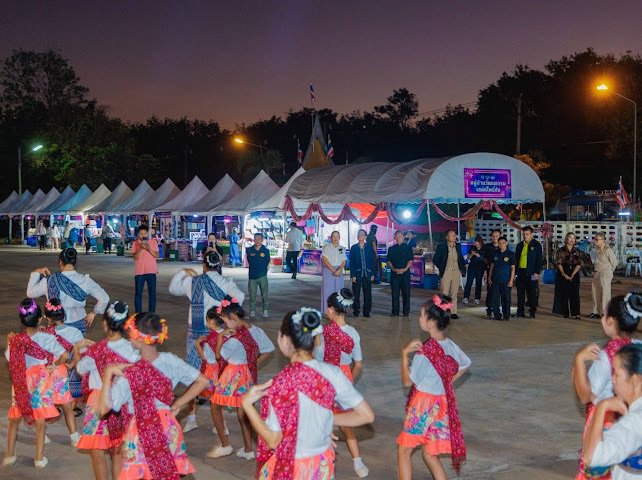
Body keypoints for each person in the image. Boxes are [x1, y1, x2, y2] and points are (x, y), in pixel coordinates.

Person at [242, 307, 375, 480]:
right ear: (317, 339)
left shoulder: (281, 383)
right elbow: (366, 415)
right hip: (322, 466)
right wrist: (324, 420)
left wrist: (247, 405)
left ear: (284, 340)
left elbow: (273, 440)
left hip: (292, 467)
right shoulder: (333, 373)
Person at [99, 312, 209, 480]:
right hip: (167, 426)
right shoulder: (171, 360)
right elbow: (203, 381)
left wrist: (108, 374)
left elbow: (104, 408)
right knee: (167, 472)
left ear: (138, 338)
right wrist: (178, 403)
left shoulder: (130, 371)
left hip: (141, 428)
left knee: (144, 474)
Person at [169, 251, 245, 433]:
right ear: (219, 265)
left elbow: (173, 288)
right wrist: (224, 309)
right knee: (217, 375)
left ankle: (192, 418)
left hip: (195, 333)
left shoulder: (193, 281)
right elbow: (240, 298)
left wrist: (183, 271)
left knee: (193, 373)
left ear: (204, 265)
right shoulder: (226, 283)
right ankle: (220, 422)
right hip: (216, 331)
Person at [397, 294, 471, 480]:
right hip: (441, 404)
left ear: (431, 322)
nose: (420, 319)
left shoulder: (424, 352)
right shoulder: (450, 346)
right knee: (430, 454)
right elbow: (465, 364)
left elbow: (407, 382)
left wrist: (404, 355)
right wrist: (447, 381)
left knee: (404, 451)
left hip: (423, 404)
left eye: (422, 316)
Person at [572, 293, 642, 479]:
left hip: (607, 422)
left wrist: (579, 360)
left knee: (601, 466)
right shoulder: (637, 348)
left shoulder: (607, 356)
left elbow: (585, 395)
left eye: (604, 315)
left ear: (610, 321)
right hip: (629, 415)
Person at [75, 300, 139, 480]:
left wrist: (78, 351)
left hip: (98, 402)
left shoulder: (97, 349)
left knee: (96, 451)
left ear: (104, 324)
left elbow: (80, 369)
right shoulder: (133, 350)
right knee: (117, 452)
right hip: (122, 402)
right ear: (126, 325)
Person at [3, 299, 67, 469]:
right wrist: (53, 366)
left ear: (22, 319)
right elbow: (64, 355)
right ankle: (38, 458)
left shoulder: (16, 340)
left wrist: (10, 341)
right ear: (39, 319)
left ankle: (10, 455)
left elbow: (10, 359)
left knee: (15, 417)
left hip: (21, 380)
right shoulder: (47, 338)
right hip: (40, 379)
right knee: (40, 419)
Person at [315, 289, 369, 477]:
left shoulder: (322, 332)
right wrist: (348, 384)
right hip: (344, 377)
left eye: (327, 308)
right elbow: (358, 364)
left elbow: (317, 360)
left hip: (325, 378)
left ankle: (321, 464)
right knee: (346, 425)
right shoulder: (353, 333)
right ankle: (358, 462)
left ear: (331, 309)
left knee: (320, 423)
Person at [208, 298, 262, 460]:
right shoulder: (248, 332)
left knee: (215, 405)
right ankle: (248, 449)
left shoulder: (233, 340)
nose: (224, 324)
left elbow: (218, 356)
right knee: (243, 411)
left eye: (225, 320)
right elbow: (260, 350)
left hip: (233, 374)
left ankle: (225, 445)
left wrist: (220, 338)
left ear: (233, 317)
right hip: (246, 374)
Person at [583, 343, 642, 478]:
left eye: (616, 373)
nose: (613, 379)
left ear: (635, 380)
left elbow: (591, 457)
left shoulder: (633, 422)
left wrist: (601, 407)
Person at [27, 247, 110, 335]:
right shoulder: (85, 281)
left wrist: (37, 272)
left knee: (57, 344)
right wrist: (93, 313)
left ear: (60, 262)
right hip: (79, 324)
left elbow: (30, 293)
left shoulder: (50, 280)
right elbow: (105, 298)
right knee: (78, 344)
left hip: (56, 324)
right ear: (75, 262)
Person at [43, 298, 86, 447]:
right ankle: (74, 437)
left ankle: (42, 436)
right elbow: (81, 352)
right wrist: (71, 365)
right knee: (67, 407)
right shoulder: (74, 332)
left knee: (44, 406)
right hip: (61, 372)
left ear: (48, 317)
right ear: (63, 315)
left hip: (46, 371)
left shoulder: (44, 333)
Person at [433, 230, 466, 319]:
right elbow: (435, 259)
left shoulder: (458, 246)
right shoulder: (441, 247)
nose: (454, 237)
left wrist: (462, 269)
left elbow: (460, 258)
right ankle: (443, 312)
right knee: (444, 293)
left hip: (456, 272)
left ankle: (453, 312)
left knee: (454, 293)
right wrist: (442, 267)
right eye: (452, 235)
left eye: (454, 235)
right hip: (446, 272)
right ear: (447, 237)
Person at [514, 226, 543, 318]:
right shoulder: (519, 245)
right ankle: (520, 311)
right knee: (520, 293)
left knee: (532, 293)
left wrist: (537, 272)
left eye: (527, 234)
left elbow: (539, 260)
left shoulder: (536, 245)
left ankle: (532, 312)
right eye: (524, 234)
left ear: (531, 234)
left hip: (532, 273)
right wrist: (515, 273)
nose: (525, 236)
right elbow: (516, 259)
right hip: (521, 272)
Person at [554, 232, 583, 319]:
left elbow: (579, 264)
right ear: (566, 239)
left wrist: (573, 274)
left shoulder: (577, 251)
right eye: (570, 238)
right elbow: (559, 263)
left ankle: (576, 313)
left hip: (574, 272)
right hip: (563, 272)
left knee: (575, 294)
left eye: (573, 238)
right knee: (564, 294)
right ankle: (565, 312)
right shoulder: (561, 250)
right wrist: (564, 274)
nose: (572, 240)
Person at [589, 232, 618, 319]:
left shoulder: (607, 250)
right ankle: (596, 312)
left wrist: (609, 271)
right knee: (595, 293)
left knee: (605, 294)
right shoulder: (596, 249)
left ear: (602, 240)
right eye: (595, 239)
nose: (595, 241)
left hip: (605, 272)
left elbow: (614, 262)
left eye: (597, 239)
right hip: (597, 272)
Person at [131, 224, 159, 313]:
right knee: (138, 294)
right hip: (140, 272)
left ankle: (152, 314)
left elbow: (156, 255)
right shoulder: (135, 243)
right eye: (141, 234)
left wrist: (149, 248)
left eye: (145, 233)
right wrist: (141, 248)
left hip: (151, 271)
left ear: (148, 233)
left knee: (152, 294)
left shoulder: (153, 242)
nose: (143, 235)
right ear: (138, 234)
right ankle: (138, 314)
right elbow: (135, 257)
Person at [387, 230, 414, 317]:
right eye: (397, 236)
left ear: (403, 237)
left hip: (405, 274)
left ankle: (406, 312)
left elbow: (410, 260)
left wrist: (405, 269)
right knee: (395, 294)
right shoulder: (391, 249)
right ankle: (395, 312)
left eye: (400, 236)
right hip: (395, 274)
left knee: (406, 294)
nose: (398, 238)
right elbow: (389, 260)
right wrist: (393, 269)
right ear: (394, 238)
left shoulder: (408, 248)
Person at [350, 229, 376, 318]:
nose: (360, 235)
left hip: (367, 274)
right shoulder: (354, 247)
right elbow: (352, 262)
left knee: (367, 294)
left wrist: (372, 273)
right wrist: (353, 275)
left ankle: (366, 311)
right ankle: (356, 310)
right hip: (357, 274)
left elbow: (372, 261)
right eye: (358, 234)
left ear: (365, 236)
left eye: (362, 234)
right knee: (356, 294)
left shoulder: (369, 247)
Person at [489, 236, 516, 321]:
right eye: (500, 243)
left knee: (506, 299)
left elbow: (513, 268)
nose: (501, 245)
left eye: (503, 243)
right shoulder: (495, 253)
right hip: (496, 280)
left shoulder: (511, 254)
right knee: (495, 299)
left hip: (506, 281)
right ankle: (497, 315)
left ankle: (506, 315)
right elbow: (492, 266)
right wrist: (489, 277)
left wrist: (511, 280)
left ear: (506, 243)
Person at [321, 231, 346, 312]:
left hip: (339, 271)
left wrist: (339, 270)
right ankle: (327, 311)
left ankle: (338, 310)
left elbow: (344, 260)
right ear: (331, 238)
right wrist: (334, 270)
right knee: (328, 291)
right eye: (334, 236)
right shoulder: (326, 247)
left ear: (339, 238)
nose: (335, 238)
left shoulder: (342, 248)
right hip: (328, 271)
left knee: (339, 291)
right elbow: (325, 259)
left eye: (337, 236)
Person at [247, 233, 271, 318]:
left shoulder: (266, 250)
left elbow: (267, 261)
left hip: (262, 276)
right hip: (252, 277)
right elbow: (249, 261)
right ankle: (252, 310)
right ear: (253, 240)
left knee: (265, 295)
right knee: (252, 296)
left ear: (262, 240)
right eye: (255, 239)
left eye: (259, 239)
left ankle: (265, 310)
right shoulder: (249, 250)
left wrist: (263, 270)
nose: (257, 241)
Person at [482, 229, 501, 318]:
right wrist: (486, 273)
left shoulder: (503, 246)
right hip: (490, 272)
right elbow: (485, 260)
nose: (495, 237)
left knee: (499, 292)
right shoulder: (487, 247)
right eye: (493, 236)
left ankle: (497, 310)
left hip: (500, 273)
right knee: (490, 291)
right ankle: (489, 309)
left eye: (497, 236)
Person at [463, 235, 485, 305]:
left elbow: (482, 258)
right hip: (472, 267)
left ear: (480, 243)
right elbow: (468, 257)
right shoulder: (472, 247)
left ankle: (477, 298)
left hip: (480, 268)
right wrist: (471, 255)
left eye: (477, 244)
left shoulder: (484, 248)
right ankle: (466, 297)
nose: (476, 245)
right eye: (475, 244)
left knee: (478, 283)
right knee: (469, 282)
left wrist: (475, 254)